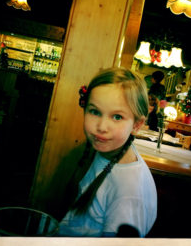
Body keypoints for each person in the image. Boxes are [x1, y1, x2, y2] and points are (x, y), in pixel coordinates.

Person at [57, 67, 157, 237]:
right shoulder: (108, 149)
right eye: (94, 112)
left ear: (137, 125)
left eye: (117, 117)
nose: (101, 128)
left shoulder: (129, 194)